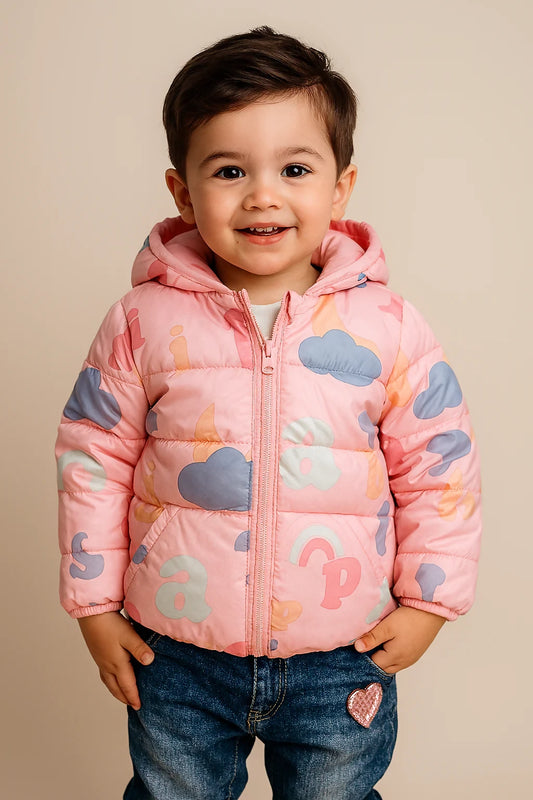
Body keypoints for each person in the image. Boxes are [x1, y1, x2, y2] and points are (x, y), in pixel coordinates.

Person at [56, 26, 482, 800]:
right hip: (175, 653)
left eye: (294, 168)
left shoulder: (387, 328)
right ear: (182, 191)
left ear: (339, 187)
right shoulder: (141, 322)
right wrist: (93, 607)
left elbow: (440, 467)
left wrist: (428, 602)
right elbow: (91, 458)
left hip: (340, 655)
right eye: (228, 170)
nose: (263, 194)